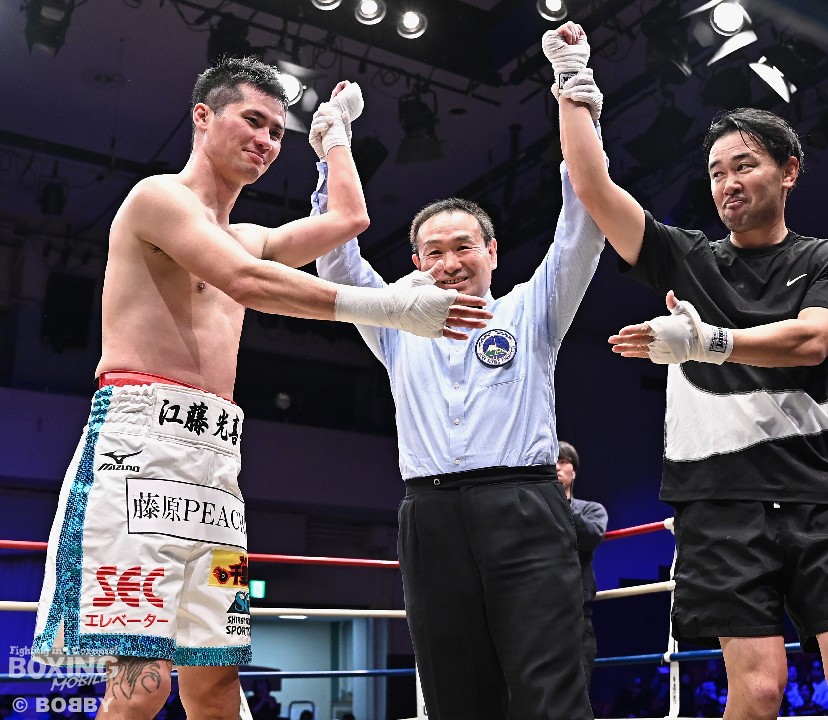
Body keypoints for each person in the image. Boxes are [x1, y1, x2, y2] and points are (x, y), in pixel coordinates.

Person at [30, 57, 490, 720]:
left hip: (216, 469)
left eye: (277, 130)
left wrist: (333, 138)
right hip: (137, 453)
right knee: (140, 683)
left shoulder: (249, 237)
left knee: (216, 683)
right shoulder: (158, 199)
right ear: (202, 116)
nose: (267, 140)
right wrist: (391, 307)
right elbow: (245, 283)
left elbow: (350, 218)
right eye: (252, 120)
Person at [551, 25, 828, 720]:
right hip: (716, 501)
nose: (727, 183)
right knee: (759, 689)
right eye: (715, 172)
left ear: (789, 170)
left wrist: (702, 341)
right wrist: (572, 83)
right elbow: (592, 185)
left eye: (744, 165)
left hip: (819, 493)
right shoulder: (687, 259)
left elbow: (812, 342)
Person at [313, 22, 604, 720]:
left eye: (464, 247)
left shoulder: (531, 309)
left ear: (492, 252)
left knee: (551, 691)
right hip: (431, 515)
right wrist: (332, 145)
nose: (450, 262)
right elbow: (337, 263)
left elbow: (583, 220)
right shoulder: (395, 321)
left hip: (524, 506)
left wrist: (574, 88)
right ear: (417, 262)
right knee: (453, 697)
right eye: (435, 252)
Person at [557, 440, 609, 689]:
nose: (556, 467)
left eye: (562, 461)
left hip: (577, 613)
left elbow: (591, 537)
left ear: (573, 471)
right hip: (539, 612)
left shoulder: (592, 510)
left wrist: (561, 503)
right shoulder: (534, 512)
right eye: (551, 463)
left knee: (578, 691)